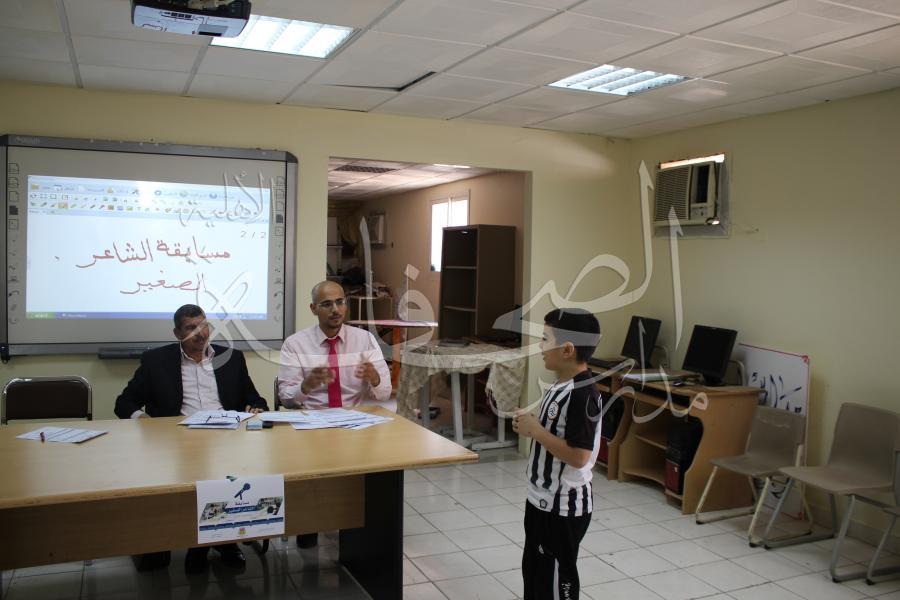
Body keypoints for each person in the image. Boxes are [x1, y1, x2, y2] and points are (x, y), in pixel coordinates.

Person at [115, 304, 269, 574]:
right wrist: (145, 420)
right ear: (177, 333)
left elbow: (255, 399)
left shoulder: (231, 358)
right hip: (176, 442)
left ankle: (223, 541)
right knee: (188, 480)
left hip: (225, 439)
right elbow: (124, 403)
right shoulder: (156, 361)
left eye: (204, 325)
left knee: (230, 476)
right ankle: (190, 542)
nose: (201, 333)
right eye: (191, 328)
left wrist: (256, 408)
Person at [278, 280, 391, 546]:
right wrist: (305, 386)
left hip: (354, 423)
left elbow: (384, 392)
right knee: (310, 470)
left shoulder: (364, 340)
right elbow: (285, 397)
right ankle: (310, 524)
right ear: (313, 309)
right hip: (313, 424)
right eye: (327, 304)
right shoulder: (295, 344)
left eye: (340, 302)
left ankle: (355, 526)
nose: (335, 310)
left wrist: (375, 378)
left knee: (371, 474)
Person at [513, 308, 602, 600]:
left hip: (561, 506)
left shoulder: (582, 393)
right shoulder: (561, 383)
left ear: (567, 350)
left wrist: (537, 432)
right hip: (540, 498)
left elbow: (579, 456)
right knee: (535, 572)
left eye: (544, 339)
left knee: (556, 579)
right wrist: (531, 425)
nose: (540, 346)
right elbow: (555, 430)